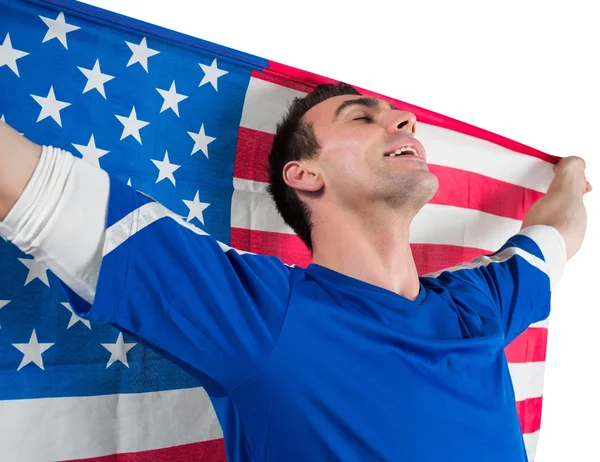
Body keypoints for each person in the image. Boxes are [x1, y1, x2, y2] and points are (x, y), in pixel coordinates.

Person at [0, 82, 591, 462]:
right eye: (364, 118)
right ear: (305, 175)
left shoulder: (477, 305)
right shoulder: (260, 314)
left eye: (400, 118)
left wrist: (571, 172)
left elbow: (556, 232)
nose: (406, 122)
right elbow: (34, 191)